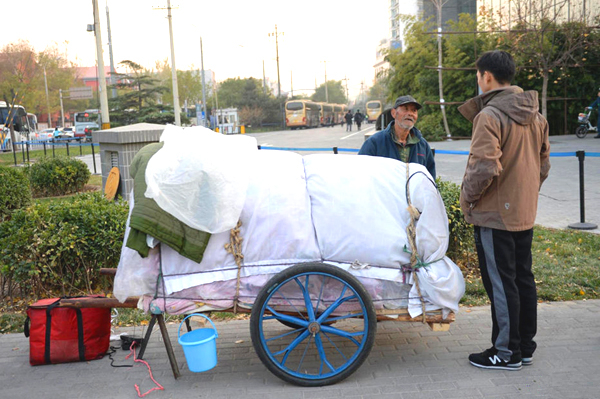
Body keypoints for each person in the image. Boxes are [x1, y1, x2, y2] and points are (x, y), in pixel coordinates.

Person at [458, 50, 551, 371]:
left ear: (486, 77)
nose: (478, 81)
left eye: (477, 75)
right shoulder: (537, 116)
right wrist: (524, 196)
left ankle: (505, 352)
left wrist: (467, 200)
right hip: (523, 213)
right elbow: (543, 165)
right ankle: (524, 346)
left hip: (494, 216)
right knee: (523, 279)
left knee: (501, 283)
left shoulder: (490, 116)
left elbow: (483, 168)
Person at [358, 95, 436, 179]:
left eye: (414, 110)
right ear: (394, 113)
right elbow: (360, 173)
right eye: (405, 109)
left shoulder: (422, 145)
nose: (410, 114)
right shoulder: (375, 142)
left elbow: (430, 179)